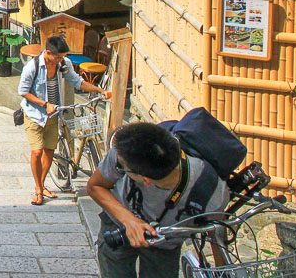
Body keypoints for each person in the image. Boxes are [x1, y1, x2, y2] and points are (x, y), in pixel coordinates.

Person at [87, 122, 229, 278]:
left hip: (166, 240)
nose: (118, 167)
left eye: (123, 169)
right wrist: (129, 220)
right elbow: (95, 186)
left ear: (145, 180)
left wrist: (223, 272)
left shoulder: (211, 191)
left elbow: (216, 230)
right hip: (119, 221)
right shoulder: (124, 151)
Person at [18, 35, 112, 205]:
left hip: (54, 114)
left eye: (63, 56)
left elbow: (78, 82)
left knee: (48, 150)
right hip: (34, 115)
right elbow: (23, 91)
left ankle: (41, 184)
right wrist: (44, 104)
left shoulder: (63, 64)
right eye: (58, 57)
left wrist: (99, 90)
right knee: (37, 151)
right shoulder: (32, 67)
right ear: (48, 52)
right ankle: (38, 190)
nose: (61, 60)